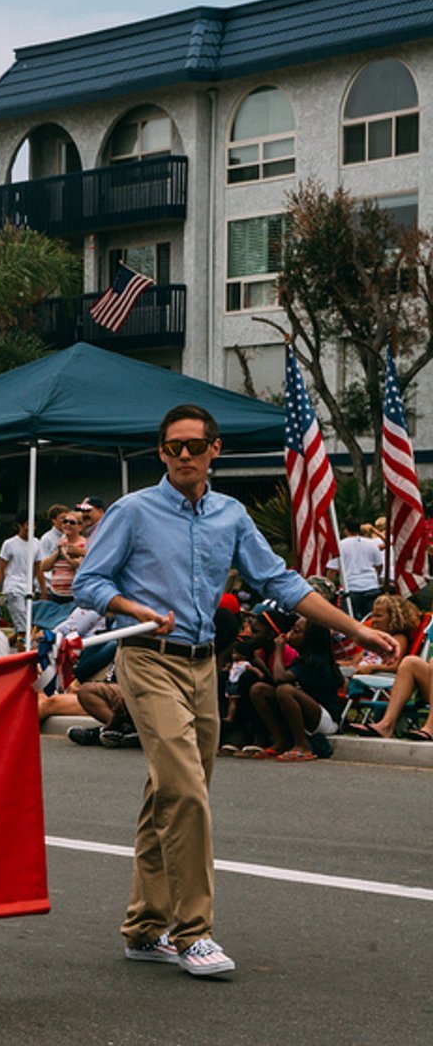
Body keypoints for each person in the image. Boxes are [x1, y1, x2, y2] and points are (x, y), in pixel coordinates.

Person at [73, 403, 396, 977]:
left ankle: (145, 928)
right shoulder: (133, 511)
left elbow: (280, 581)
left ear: (214, 450)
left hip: (204, 667)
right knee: (186, 791)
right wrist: (133, 607)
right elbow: (89, 581)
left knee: (168, 795)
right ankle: (193, 932)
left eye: (195, 446)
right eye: (173, 447)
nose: (184, 457)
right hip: (148, 660)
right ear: (161, 453)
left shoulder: (230, 514)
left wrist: (356, 626)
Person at [246, 615, 345, 760]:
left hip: (326, 719)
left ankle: (302, 745)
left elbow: (279, 678)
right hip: (310, 712)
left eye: (297, 631)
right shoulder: (302, 656)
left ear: (310, 637)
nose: (290, 634)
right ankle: (280, 740)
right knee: (259, 690)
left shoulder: (314, 661)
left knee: (285, 690)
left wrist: (279, 649)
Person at [0, 519, 37, 634]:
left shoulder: (36, 543)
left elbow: (39, 568)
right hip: (13, 589)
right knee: (23, 629)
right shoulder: (9, 544)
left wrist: (43, 590)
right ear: (20, 525)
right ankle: (22, 647)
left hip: (28, 590)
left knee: (27, 626)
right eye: (27, 524)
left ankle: (12, 644)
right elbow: (0, 569)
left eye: (33, 525)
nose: (31, 528)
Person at [334, 529, 386, 620]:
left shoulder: (340, 545)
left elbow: (332, 569)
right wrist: (376, 577)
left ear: (346, 530)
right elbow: (379, 565)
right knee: (373, 621)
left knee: (349, 622)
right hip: (371, 586)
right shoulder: (371, 544)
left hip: (350, 588)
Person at [38, 511, 89, 600]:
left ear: (80, 527)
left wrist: (63, 551)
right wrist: (58, 552)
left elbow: (76, 564)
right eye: (65, 522)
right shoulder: (60, 543)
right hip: (56, 594)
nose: (67, 524)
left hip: (74, 595)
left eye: (72, 523)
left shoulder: (84, 544)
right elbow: (43, 567)